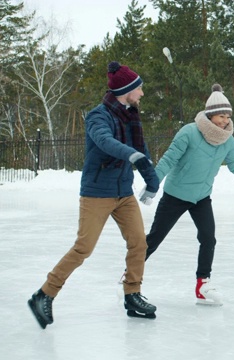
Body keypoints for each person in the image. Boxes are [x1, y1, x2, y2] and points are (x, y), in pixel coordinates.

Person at [28, 61, 160, 329]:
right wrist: (130, 154)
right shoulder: (98, 116)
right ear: (127, 90)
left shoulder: (131, 117)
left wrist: (152, 181)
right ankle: (44, 294)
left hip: (123, 193)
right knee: (83, 248)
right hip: (97, 193)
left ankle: (132, 295)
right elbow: (105, 141)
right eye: (140, 89)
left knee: (139, 243)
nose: (142, 94)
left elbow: (142, 151)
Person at [140, 84, 234, 306]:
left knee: (208, 238)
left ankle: (203, 285)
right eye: (221, 116)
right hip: (176, 194)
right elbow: (168, 159)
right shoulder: (189, 132)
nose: (225, 121)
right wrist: (152, 185)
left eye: (227, 116)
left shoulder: (227, 140)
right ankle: (129, 278)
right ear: (211, 114)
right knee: (155, 238)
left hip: (201, 197)